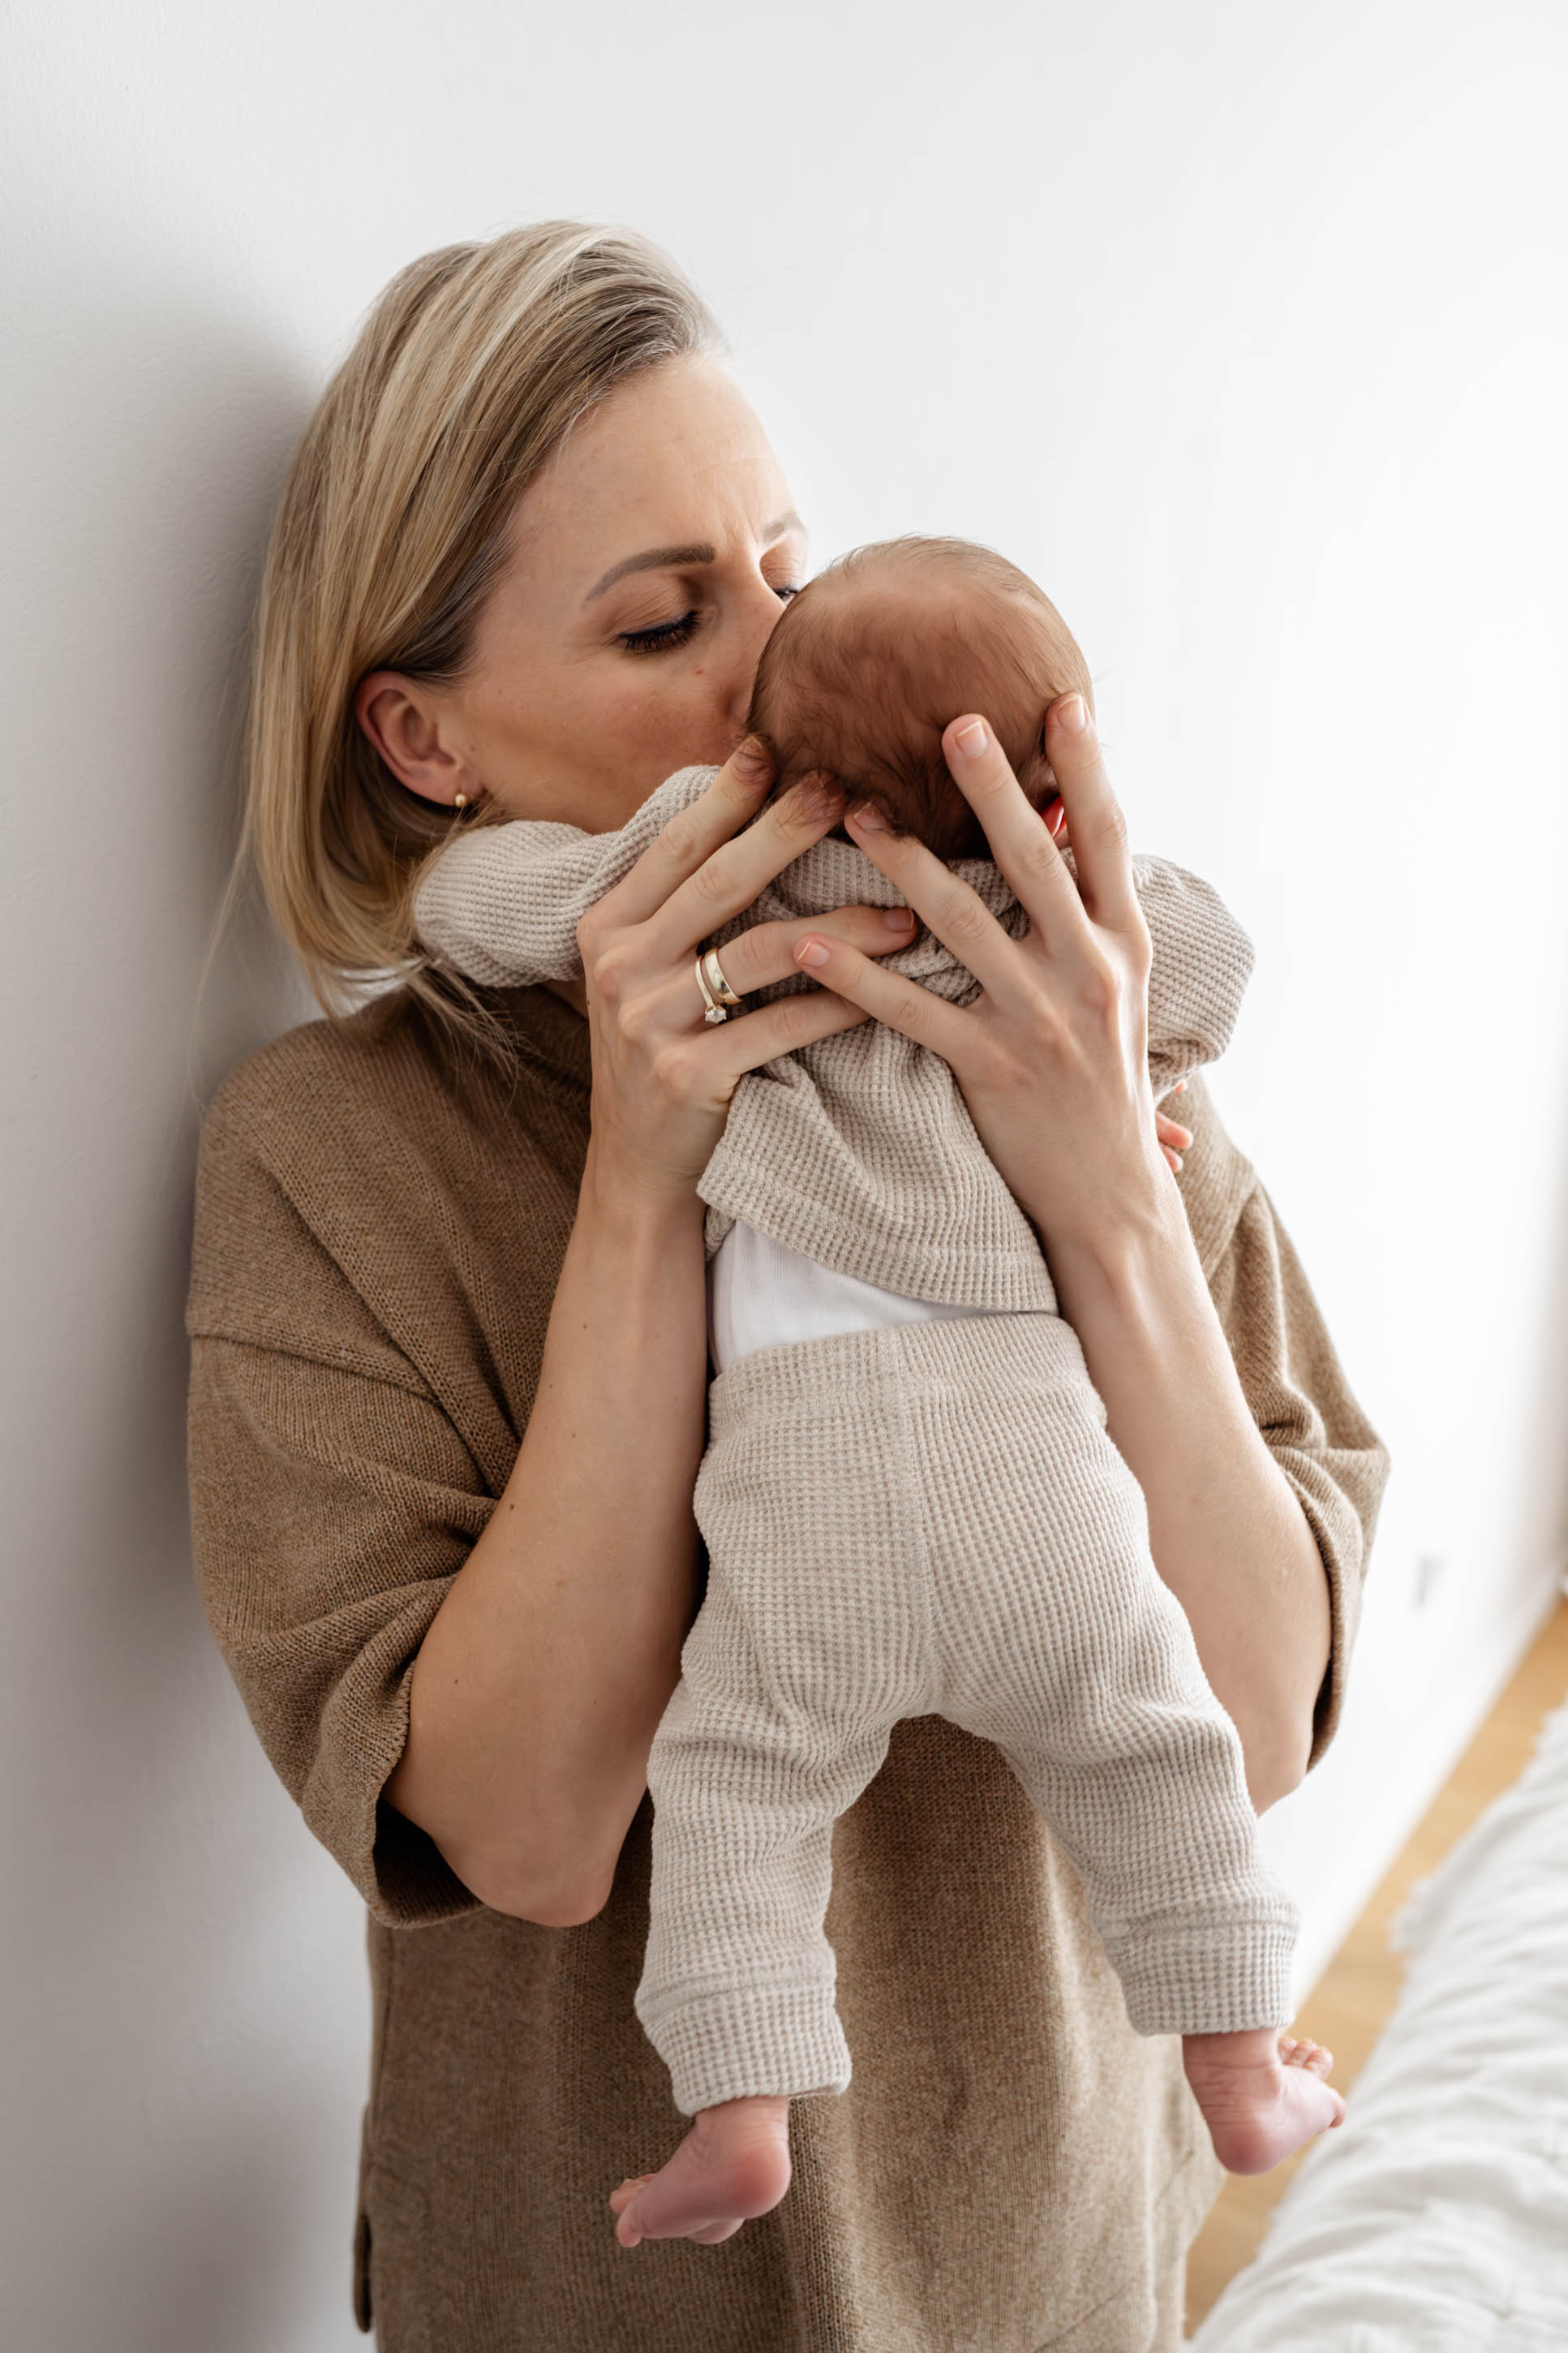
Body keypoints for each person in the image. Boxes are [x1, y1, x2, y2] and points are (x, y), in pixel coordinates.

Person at [186, 221, 1388, 2352]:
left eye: (785, 567)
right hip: (582, 2294)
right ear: (427, 742)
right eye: (666, 619)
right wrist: (639, 1194)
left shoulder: (1060, 1025)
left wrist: (1103, 1201)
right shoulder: (332, 1154)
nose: (784, 656)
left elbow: (1252, 1708)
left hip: (1046, 2262)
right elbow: (529, 1833)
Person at [409, 534, 1347, 2249]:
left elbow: (470, 913)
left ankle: (737, 2107)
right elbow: (1207, 967)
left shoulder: (692, 872)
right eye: (662, 618)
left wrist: (621, 853)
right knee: (1153, 1745)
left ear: (790, 767)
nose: (748, 639)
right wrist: (1080, 863)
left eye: (787, 570)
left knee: (737, 1786)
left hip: (798, 1466)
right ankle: (1235, 2062)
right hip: (1027, 1455)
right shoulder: (1065, 964)